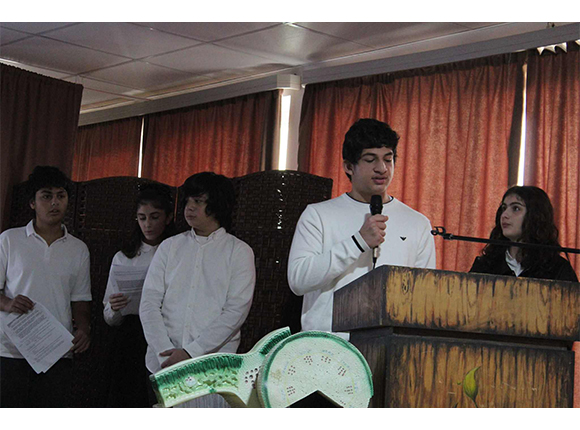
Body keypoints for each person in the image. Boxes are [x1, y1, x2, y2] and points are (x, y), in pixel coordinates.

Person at [288, 118, 436, 336]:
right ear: (349, 166)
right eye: (370, 159)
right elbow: (298, 280)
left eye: (388, 159)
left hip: (390, 344)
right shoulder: (318, 215)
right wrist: (358, 242)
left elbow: (423, 295)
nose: (382, 168)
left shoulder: (417, 223)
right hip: (327, 344)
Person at [139, 172, 255, 407]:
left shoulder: (239, 251)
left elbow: (235, 312)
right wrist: (165, 351)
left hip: (213, 369)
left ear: (217, 205)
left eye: (199, 201)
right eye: (188, 201)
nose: (190, 208)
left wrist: (191, 353)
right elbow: (149, 302)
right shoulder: (170, 246)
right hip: (163, 365)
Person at [0, 166, 91, 408]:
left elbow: (80, 299)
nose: (54, 203)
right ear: (32, 202)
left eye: (61, 196)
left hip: (56, 350)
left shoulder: (78, 249)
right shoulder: (9, 240)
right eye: (46, 196)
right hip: (10, 350)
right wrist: (8, 303)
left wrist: (84, 327)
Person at [102, 184, 175, 407]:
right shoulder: (124, 257)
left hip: (168, 333)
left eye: (154, 217)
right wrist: (114, 308)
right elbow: (109, 316)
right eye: (142, 218)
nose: (148, 224)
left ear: (168, 218)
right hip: (132, 337)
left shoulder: (177, 252)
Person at [470, 185, 578, 282]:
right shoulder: (485, 265)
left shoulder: (557, 269)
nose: (505, 215)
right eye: (504, 208)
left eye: (516, 208)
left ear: (535, 216)